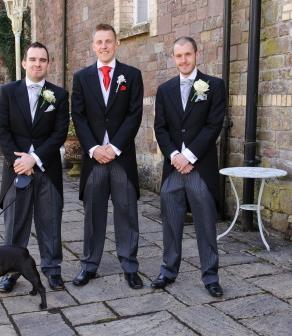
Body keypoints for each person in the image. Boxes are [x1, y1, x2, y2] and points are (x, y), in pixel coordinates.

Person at [71, 23, 144, 289]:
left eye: (108, 41)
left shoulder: (132, 75)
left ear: (117, 44)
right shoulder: (81, 77)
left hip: (121, 158)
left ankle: (130, 266)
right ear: (93, 45)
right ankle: (89, 265)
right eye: (99, 41)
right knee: (93, 214)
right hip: (94, 160)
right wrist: (93, 149)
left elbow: (134, 114)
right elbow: (78, 115)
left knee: (126, 213)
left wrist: (114, 147)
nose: (104, 46)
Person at [153, 36, 226, 297]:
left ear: (196, 54)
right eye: (178, 56)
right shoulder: (165, 90)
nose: (183, 60)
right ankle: (168, 270)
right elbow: (160, 127)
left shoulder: (214, 86)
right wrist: (174, 155)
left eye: (187, 54)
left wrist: (190, 156)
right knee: (170, 221)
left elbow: (213, 125)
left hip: (199, 168)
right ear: (174, 58)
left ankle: (210, 276)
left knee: (205, 224)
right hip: (173, 169)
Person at [0, 42, 69, 291]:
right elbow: (1, 129)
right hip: (16, 170)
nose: (37, 64)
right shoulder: (8, 91)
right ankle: (11, 272)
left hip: (47, 169)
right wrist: (18, 161)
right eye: (33, 59)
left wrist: (34, 159)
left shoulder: (58, 94)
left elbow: (59, 133)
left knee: (50, 222)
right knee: (16, 224)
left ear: (48, 64)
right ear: (24, 63)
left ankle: (52, 269)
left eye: (42, 60)